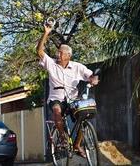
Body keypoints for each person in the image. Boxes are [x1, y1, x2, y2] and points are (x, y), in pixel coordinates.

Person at [37, 24, 99, 158]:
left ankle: (77, 145)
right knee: (57, 110)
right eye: (58, 52)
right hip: (56, 99)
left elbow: (90, 75)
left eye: (61, 52)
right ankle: (63, 138)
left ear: (68, 55)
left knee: (84, 117)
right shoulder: (51, 64)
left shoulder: (77, 67)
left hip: (72, 100)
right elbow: (39, 51)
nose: (57, 54)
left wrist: (93, 79)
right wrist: (46, 33)